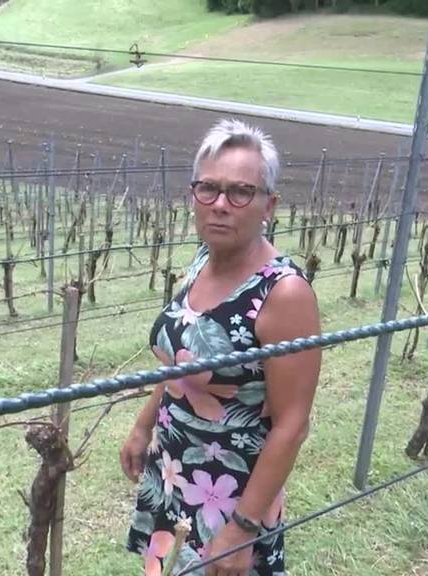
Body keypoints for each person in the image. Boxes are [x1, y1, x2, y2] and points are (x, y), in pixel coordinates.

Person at [122, 118, 322, 576]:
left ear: (269, 204)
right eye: (207, 189)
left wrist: (242, 528)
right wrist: (142, 426)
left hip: (231, 496)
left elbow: (292, 424)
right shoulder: (201, 261)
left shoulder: (283, 294)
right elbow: (180, 363)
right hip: (174, 472)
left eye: (240, 192)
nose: (220, 205)